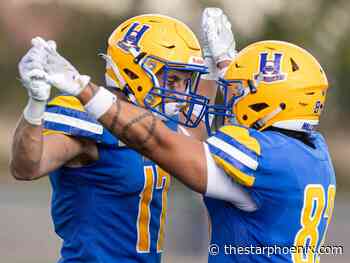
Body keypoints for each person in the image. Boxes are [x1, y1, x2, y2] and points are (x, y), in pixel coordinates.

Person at [27, 25, 337, 262]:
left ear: (268, 101)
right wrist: (223, 66)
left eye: (240, 91)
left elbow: (162, 145)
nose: (231, 100)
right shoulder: (313, 152)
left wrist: (87, 91)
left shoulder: (263, 157)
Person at [11, 14, 217, 263]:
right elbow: (27, 167)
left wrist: (216, 66)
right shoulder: (89, 120)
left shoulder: (155, 120)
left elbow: (194, 138)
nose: (182, 94)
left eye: (186, 82)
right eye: (172, 80)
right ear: (135, 72)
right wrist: (35, 107)